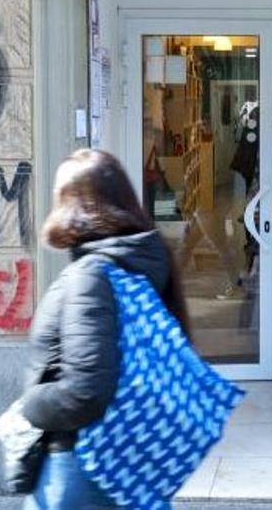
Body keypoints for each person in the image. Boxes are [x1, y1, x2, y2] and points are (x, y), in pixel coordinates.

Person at [19, 149, 190, 510]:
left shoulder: (91, 275)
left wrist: (30, 405)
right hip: (136, 458)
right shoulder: (145, 262)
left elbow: (87, 391)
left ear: (72, 204)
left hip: (84, 464)